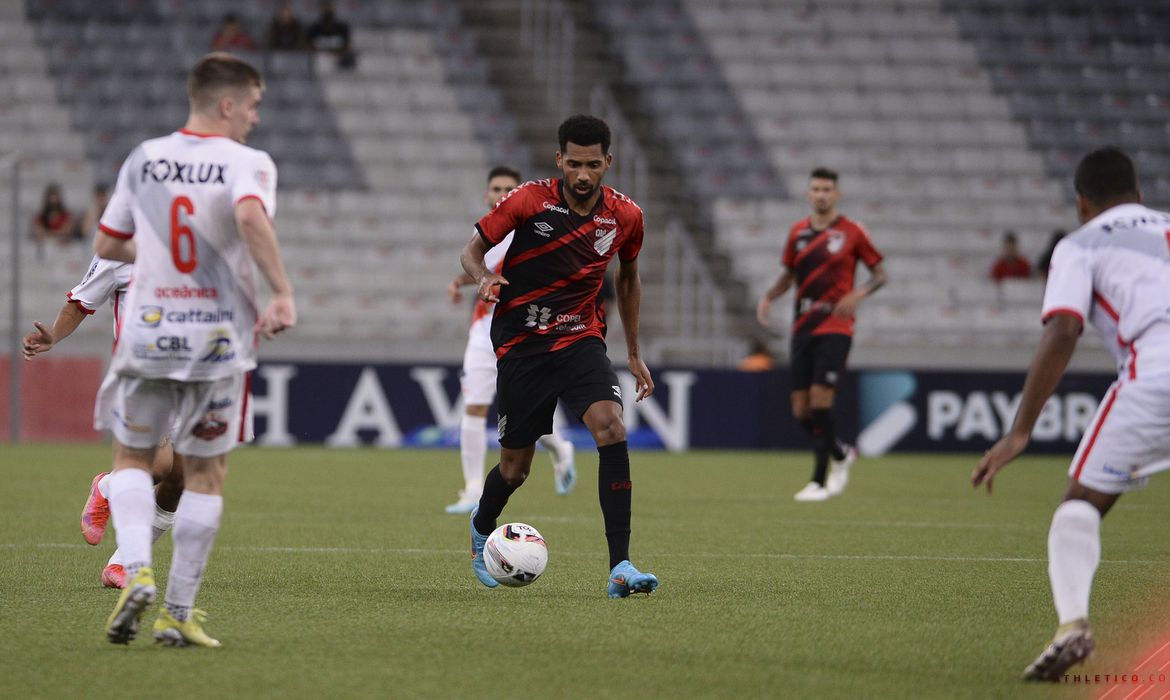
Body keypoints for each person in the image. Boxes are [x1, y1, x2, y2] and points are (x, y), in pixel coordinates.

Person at [93, 52, 295, 647]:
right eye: (253, 105)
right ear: (227, 104)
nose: (256, 117)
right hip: (216, 338)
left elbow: (108, 243)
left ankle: (135, 569)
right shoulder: (247, 162)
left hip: (150, 331)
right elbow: (250, 218)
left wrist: (157, 252)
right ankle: (177, 611)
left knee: (131, 458)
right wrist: (281, 293)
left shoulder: (144, 157)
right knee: (205, 473)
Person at [973, 147, 1170, 681]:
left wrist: (1020, 431)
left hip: (1157, 375)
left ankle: (1073, 626)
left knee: (1080, 503)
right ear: (1140, 195)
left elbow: (1063, 331)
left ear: (1082, 203)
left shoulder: (1080, 244)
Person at [459, 114, 658, 598]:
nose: (583, 175)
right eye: (574, 164)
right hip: (522, 344)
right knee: (515, 469)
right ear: (559, 160)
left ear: (608, 162)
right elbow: (471, 252)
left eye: (592, 165)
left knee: (611, 427)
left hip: (579, 338)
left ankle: (620, 566)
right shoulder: (528, 200)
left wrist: (633, 352)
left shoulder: (626, 216)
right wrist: (483, 278)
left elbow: (628, 278)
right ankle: (482, 525)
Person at [22, 257, 185, 590]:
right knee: (159, 465)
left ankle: (120, 564)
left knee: (181, 480)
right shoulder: (119, 251)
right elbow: (79, 304)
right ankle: (108, 486)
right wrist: (54, 335)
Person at [445, 166, 576, 514]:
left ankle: (560, 448)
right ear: (487, 194)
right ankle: (472, 490)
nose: (502, 194)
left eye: (509, 188)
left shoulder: (533, 230)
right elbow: (484, 266)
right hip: (483, 331)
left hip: (522, 332)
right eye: (496, 188)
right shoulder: (485, 231)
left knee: (524, 413)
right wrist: (462, 281)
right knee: (474, 406)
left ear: (520, 194)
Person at [756, 167, 886, 502]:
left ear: (836, 194)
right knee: (801, 411)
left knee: (820, 401)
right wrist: (769, 296)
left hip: (836, 326)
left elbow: (880, 274)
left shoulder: (853, 232)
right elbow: (789, 275)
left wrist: (857, 294)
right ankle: (841, 453)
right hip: (803, 327)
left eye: (827, 189)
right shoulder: (797, 231)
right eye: (816, 189)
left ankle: (818, 481)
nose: (821, 195)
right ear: (808, 194)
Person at [307, 1, 355, 68]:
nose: (327, 9)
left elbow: (348, 46)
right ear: (321, 8)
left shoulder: (343, 27)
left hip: (339, 62)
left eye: (330, 6)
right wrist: (322, 55)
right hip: (318, 62)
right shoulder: (313, 28)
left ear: (334, 8)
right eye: (325, 6)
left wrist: (337, 54)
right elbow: (308, 46)